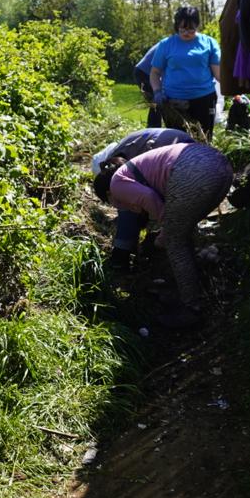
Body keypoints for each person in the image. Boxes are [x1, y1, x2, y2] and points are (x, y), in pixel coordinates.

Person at [93, 142, 233, 328]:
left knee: (174, 241)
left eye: (111, 203)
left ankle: (192, 308)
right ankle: (191, 286)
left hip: (194, 169)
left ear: (109, 195)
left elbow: (149, 198)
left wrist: (165, 229)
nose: (117, 206)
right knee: (182, 233)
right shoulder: (133, 170)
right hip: (221, 167)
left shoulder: (116, 184)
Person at [92, 128, 195, 267]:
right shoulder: (118, 158)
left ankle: (120, 257)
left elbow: (141, 197)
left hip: (176, 155)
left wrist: (166, 225)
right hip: (188, 150)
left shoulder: (117, 176)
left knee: (127, 207)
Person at [149, 6, 222, 138]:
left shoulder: (209, 43)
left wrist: (236, 86)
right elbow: (155, 73)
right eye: (182, 28)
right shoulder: (166, 44)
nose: (186, 33)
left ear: (197, 25)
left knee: (203, 140)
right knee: (177, 141)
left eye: (191, 29)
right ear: (177, 26)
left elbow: (218, 74)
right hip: (175, 103)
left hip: (204, 101)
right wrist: (157, 91)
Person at [133, 44, 163, 128]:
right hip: (145, 73)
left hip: (143, 71)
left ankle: (154, 128)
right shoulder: (172, 45)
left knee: (158, 104)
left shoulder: (171, 42)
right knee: (157, 102)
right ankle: (153, 129)